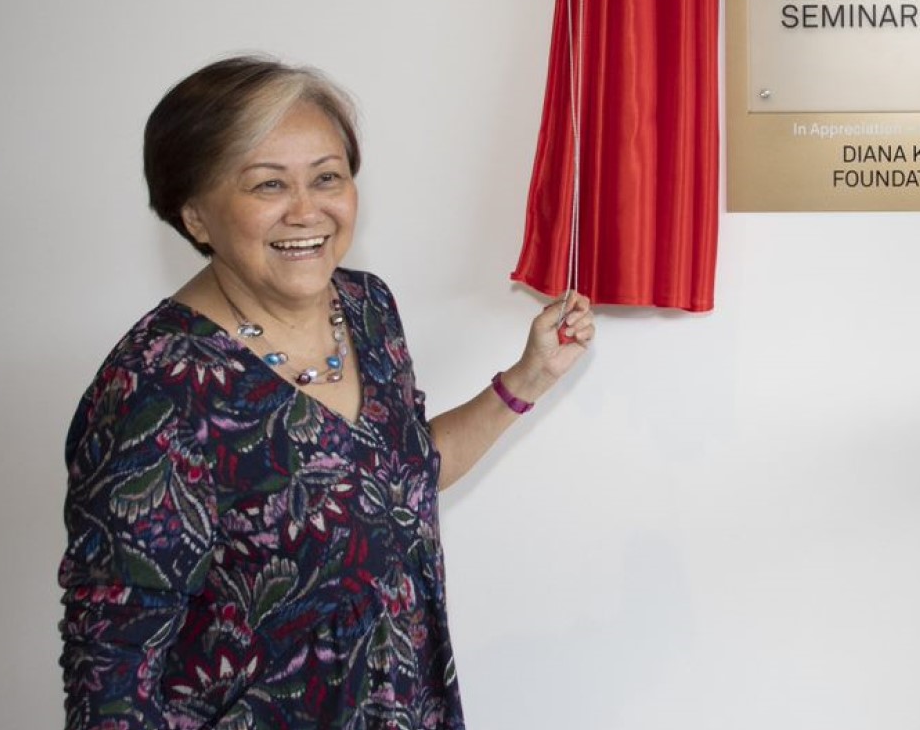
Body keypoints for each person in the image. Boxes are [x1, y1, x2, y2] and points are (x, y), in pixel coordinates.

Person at [59, 55, 597, 728]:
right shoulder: (157, 389)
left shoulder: (367, 308)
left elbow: (393, 479)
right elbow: (112, 679)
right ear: (195, 215)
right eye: (267, 185)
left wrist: (529, 377)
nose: (306, 210)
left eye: (327, 177)